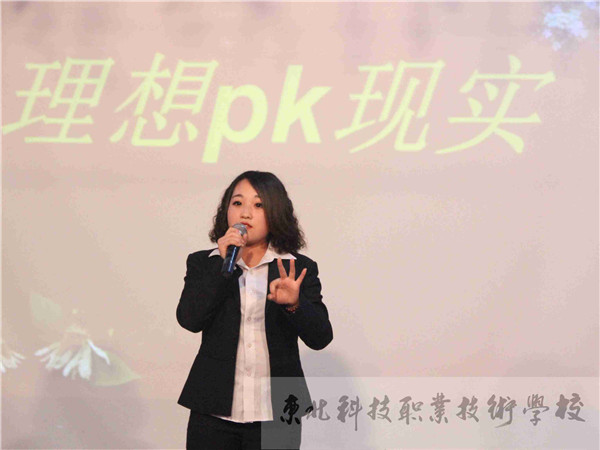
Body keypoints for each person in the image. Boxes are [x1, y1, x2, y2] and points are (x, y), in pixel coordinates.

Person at [176, 170, 333, 450]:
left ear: (275, 213)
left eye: (258, 205)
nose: (245, 213)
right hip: (213, 413)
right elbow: (189, 319)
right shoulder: (205, 263)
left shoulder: (296, 268)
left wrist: (295, 304)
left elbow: (320, 338)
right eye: (237, 203)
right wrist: (222, 268)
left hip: (277, 416)